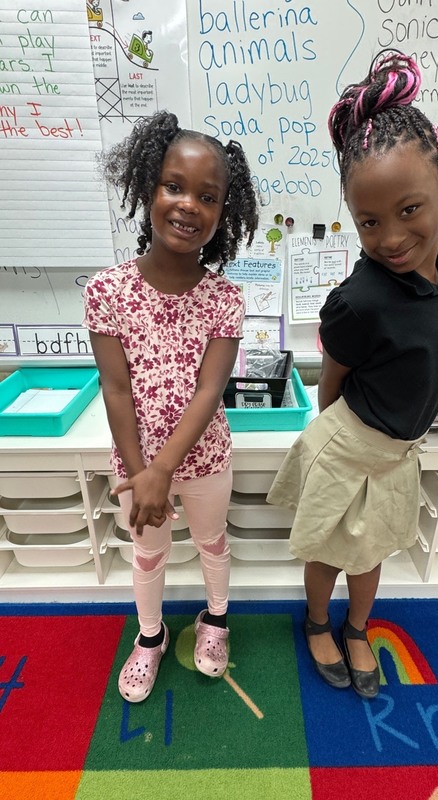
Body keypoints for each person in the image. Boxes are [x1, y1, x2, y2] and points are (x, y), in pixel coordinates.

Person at [267, 51, 438, 699]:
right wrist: (334, 444)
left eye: (409, 210)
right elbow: (332, 381)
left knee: (372, 548)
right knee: (329, 546)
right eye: (368, 222)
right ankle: (317, 620)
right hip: (351, 445)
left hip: (400, 453)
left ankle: (358, 626)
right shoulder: (359, 298)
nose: (390, 237)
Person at [83, 111, 258, 702]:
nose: (188, 205)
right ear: (147, 188)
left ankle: (216, 620)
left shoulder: (225, 299)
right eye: (174, 186)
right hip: (136, 462)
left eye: (207, 196)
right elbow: (117, 390)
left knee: (212, 543)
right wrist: (142, 474)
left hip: (205, 458)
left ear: (223, 213)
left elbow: (210, 391)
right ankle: (151, 637)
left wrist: (164, 470)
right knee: (148, 551)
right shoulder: (107, 291)